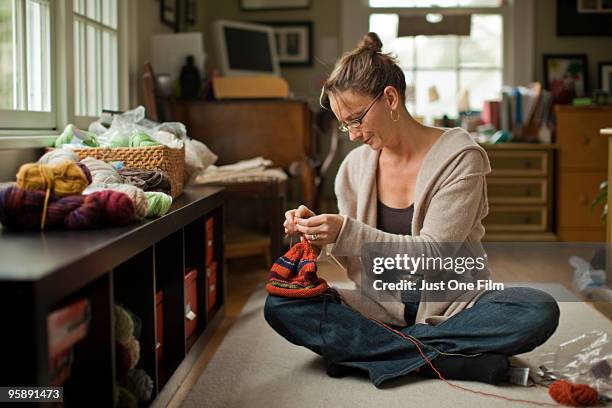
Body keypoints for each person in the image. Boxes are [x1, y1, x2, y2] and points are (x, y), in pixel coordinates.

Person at [264, 32, 560, 387]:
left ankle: (371, 353)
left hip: (452, 306)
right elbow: (359, 260)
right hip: (379, 307)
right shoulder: (354, 167)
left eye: (356, 120)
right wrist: (318, 239)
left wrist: (345, 231)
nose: (352, 135)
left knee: (537, 309)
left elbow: (436, 253)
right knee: (279, 305)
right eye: (345, 125)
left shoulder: (459, 157)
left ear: (390, 98)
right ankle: (450, 361)